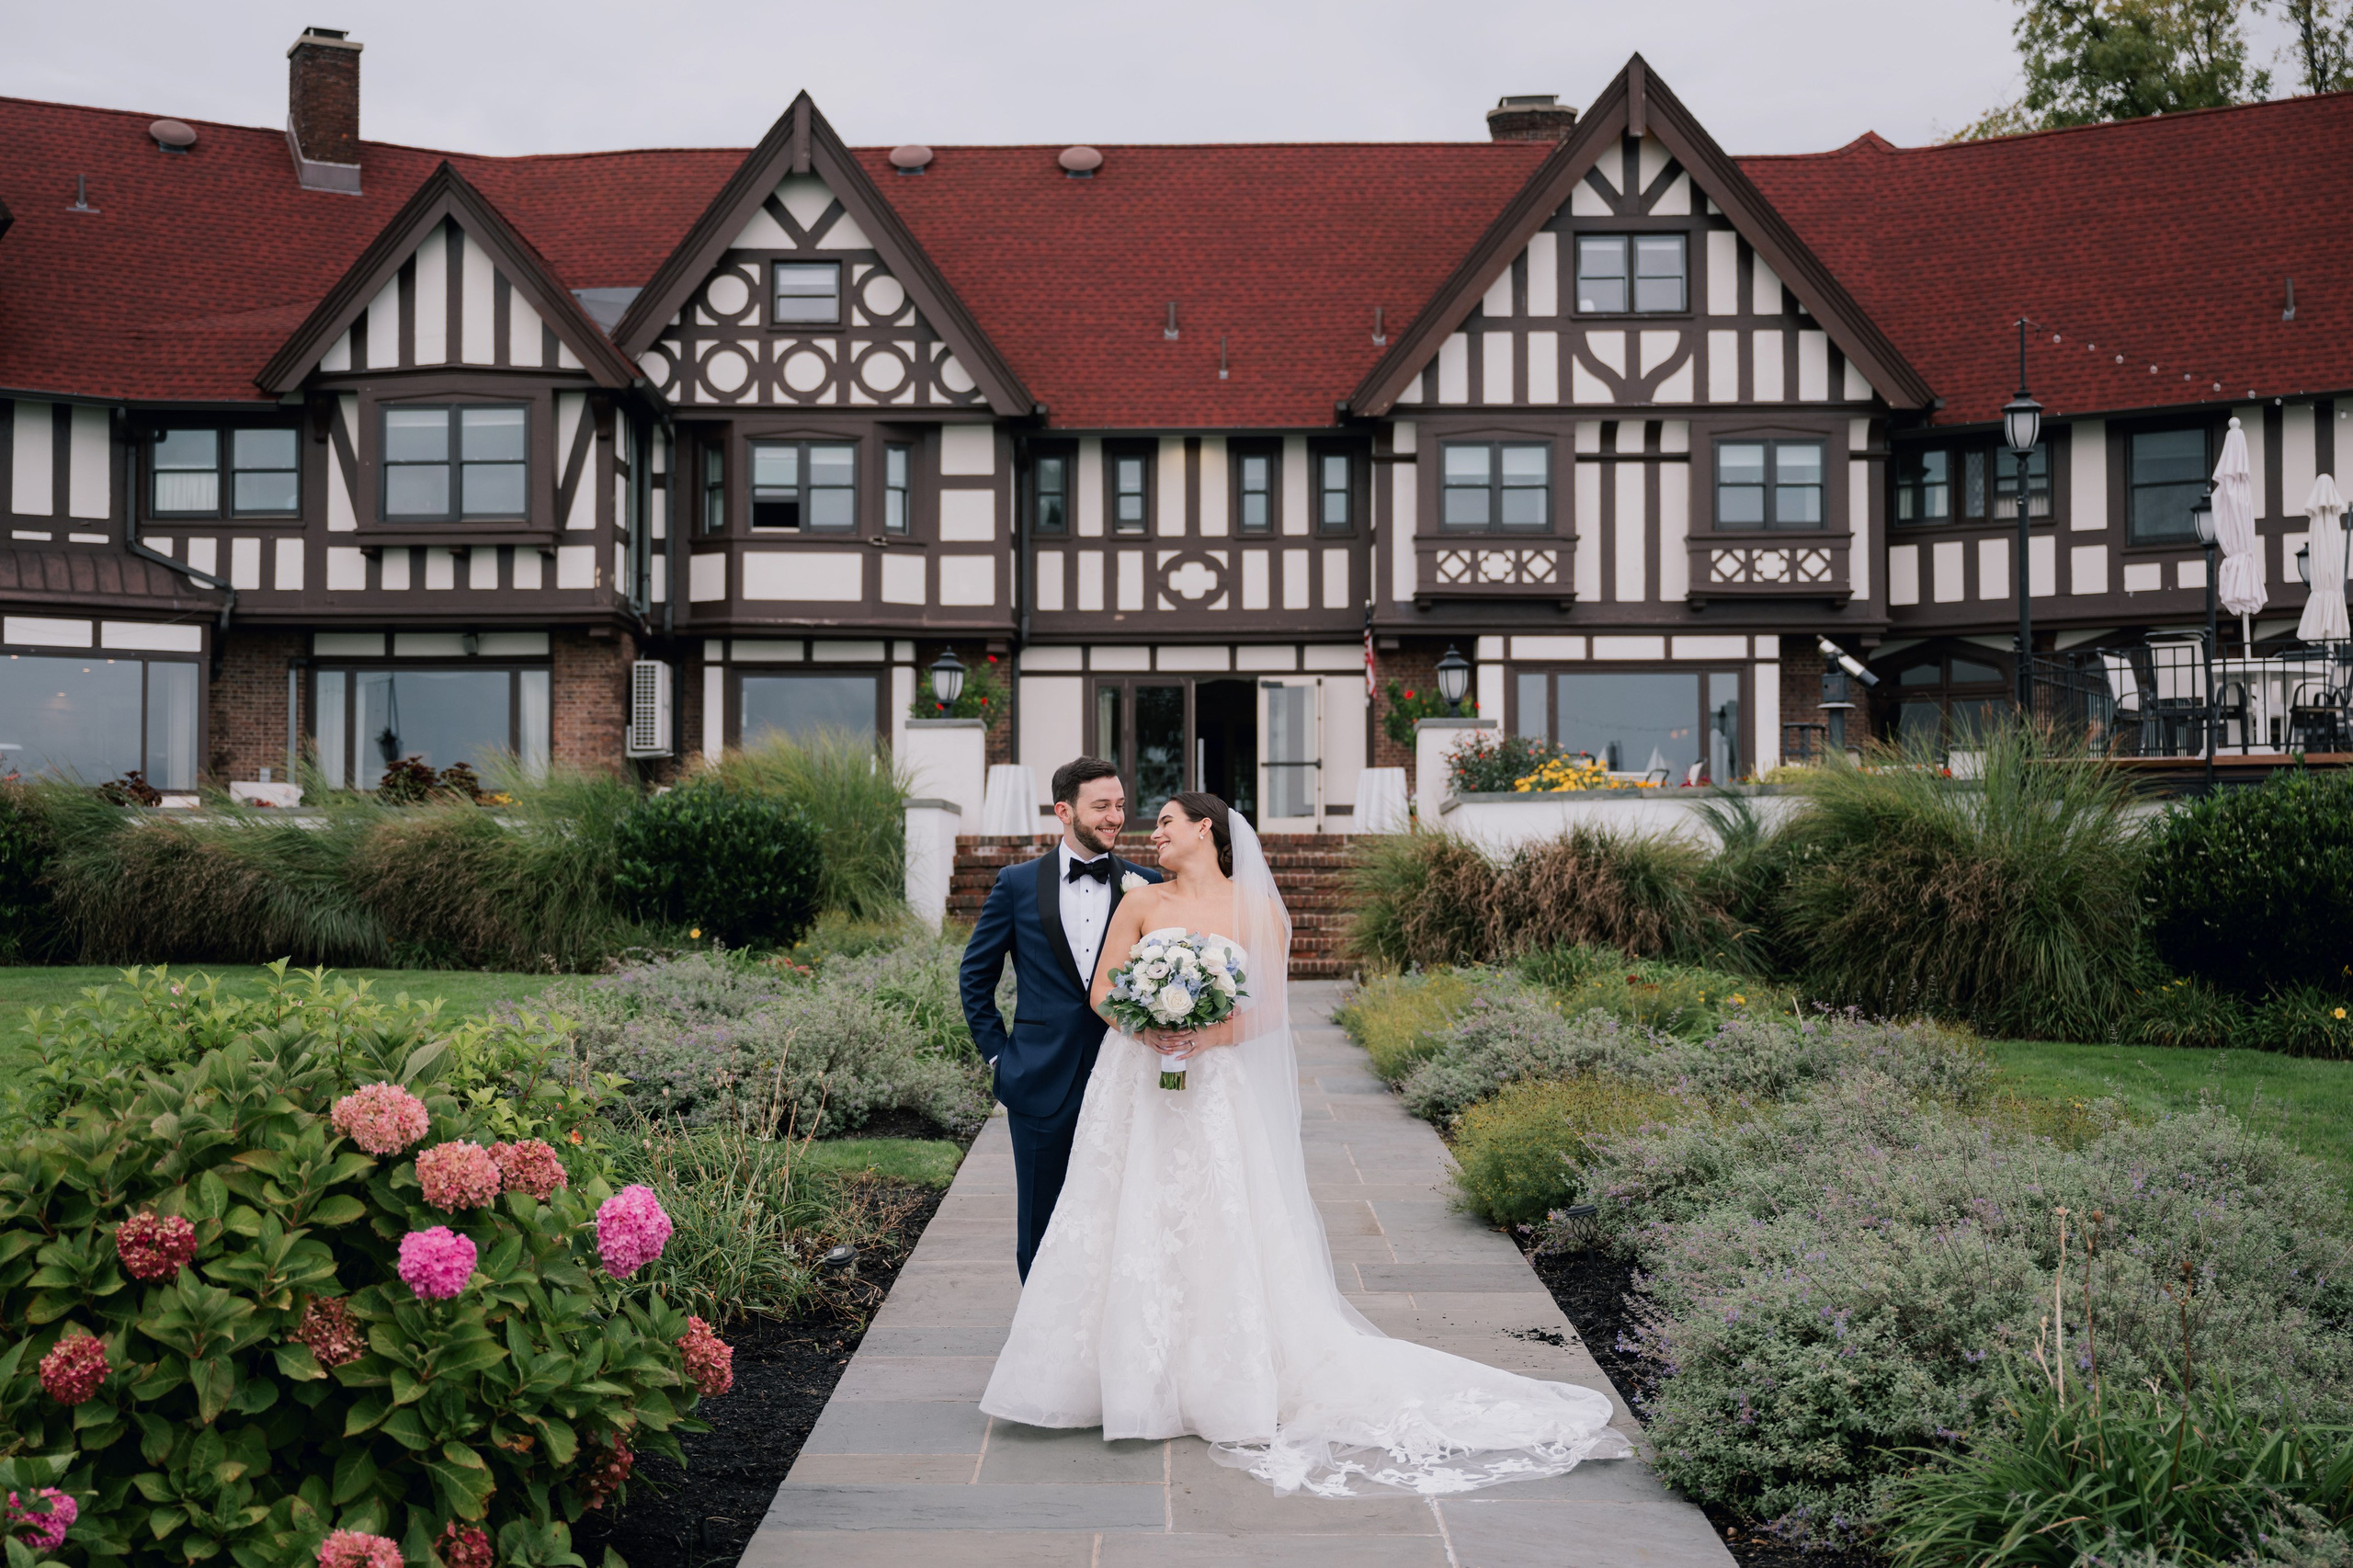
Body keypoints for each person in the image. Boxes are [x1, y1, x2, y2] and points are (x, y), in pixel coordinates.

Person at [979, 790, 1627, 1496]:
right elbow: (1104, 991)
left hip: (1214, 1086)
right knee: (1118, 1211)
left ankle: (1220, 1379)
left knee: (1218, 1218)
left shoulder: (1256, 911)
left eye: (1164, 821)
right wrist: (1147, 1024)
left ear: (1205, 829)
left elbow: (1270, 1013)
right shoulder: (1140, 902)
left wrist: (1199, 1033)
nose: (1151, 833)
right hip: (1134, 1082)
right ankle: (1110, 1375)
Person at [958, 756, 1162, 1280]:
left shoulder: (1149, 884)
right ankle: (1039, 1346)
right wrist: (1000, 1055)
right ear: (1064, 811)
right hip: (1039, 1078)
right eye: (1102, 807)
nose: (1115, 817)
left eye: (1119, 805)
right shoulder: (1016, 883)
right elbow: (976, 976)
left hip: (1125, 1074)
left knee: (1125, 1216)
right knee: (1040, 1222)